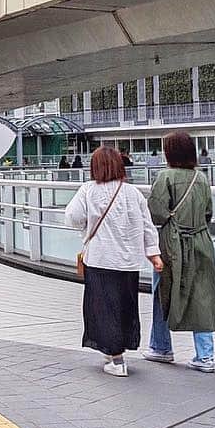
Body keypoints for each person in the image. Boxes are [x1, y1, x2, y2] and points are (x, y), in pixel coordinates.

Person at [65, 147, 162, 377]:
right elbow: (147, 226)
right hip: (128, 262)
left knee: (103, 309)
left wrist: (87, 225)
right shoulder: (133, 193)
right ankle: (116, 354)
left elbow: (72, 217)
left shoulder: (88, 190)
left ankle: (116, 359)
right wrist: (153, 254)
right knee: (124, 307)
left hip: (100, 259)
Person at [144, 129, 215, 372]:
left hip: (171, 243)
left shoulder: (164, 177)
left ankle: (161, 347)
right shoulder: (202, 178)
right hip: (200, 241)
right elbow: (208, 213)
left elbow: (155, 211)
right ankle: (205, 356)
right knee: (202, 296)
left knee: (163, 292)